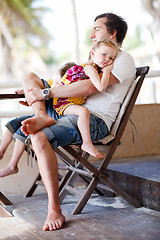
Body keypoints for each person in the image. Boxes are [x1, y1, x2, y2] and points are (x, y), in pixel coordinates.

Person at [2, 13, 136, 231]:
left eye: (97, 29)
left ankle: (54, 209)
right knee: (29, 78)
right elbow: (72, 83)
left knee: (39, 136)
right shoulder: (98, 57)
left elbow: (91, 87)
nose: (92, 34)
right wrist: (34, 91)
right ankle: (40, 116)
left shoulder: (120, 59)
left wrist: (44, 93)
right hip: (70, 109)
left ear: (113, 33)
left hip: (93, 120)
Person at [22, 40, 117, 158]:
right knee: (83, 112)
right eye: (104, 54)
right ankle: (87, 143)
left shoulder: (91, 69)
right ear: (92, 53)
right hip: (63, 102)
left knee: (82, 111)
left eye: (111, 58)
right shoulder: (89, 68)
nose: (107, 59)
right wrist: (107, 71)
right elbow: (101, 87)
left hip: (62, 101)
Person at [0, 62, 76, 177]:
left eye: (58, 83)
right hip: (43, 115)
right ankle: (1, 151)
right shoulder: (51, 85)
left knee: (24, 128)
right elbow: (41, 91)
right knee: (13, 123)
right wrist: (28, 91)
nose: (55, 86)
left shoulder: (70, 94)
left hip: (53, 117)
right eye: (55, 82)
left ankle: (12, 165)